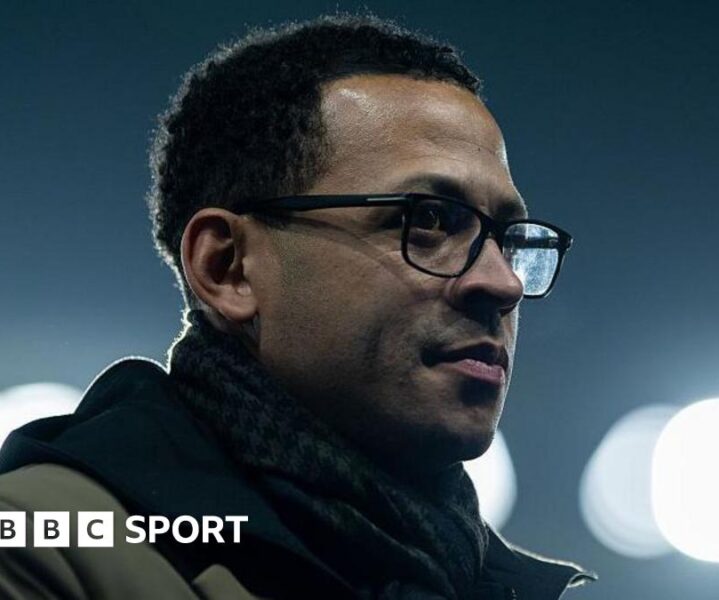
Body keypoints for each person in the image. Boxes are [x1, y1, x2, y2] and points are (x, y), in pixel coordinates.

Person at [0, 14, 594, 599]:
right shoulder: (45, 550)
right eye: (429, 220)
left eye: (509, 239)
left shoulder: (493, 581)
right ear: (227, 268)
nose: (503, 283)